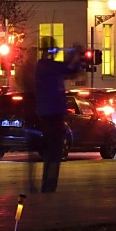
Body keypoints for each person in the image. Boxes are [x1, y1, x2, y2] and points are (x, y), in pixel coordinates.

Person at [34, 42, 81, 193]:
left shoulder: (46, 67)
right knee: (54, 153)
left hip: (51, 114)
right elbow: (68, 69)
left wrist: (73, 58)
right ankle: (48, 187)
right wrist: (75, 56)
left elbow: (69, 70)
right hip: (52, 115)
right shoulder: (46, 66)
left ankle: (49, 185)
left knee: (53, 153)